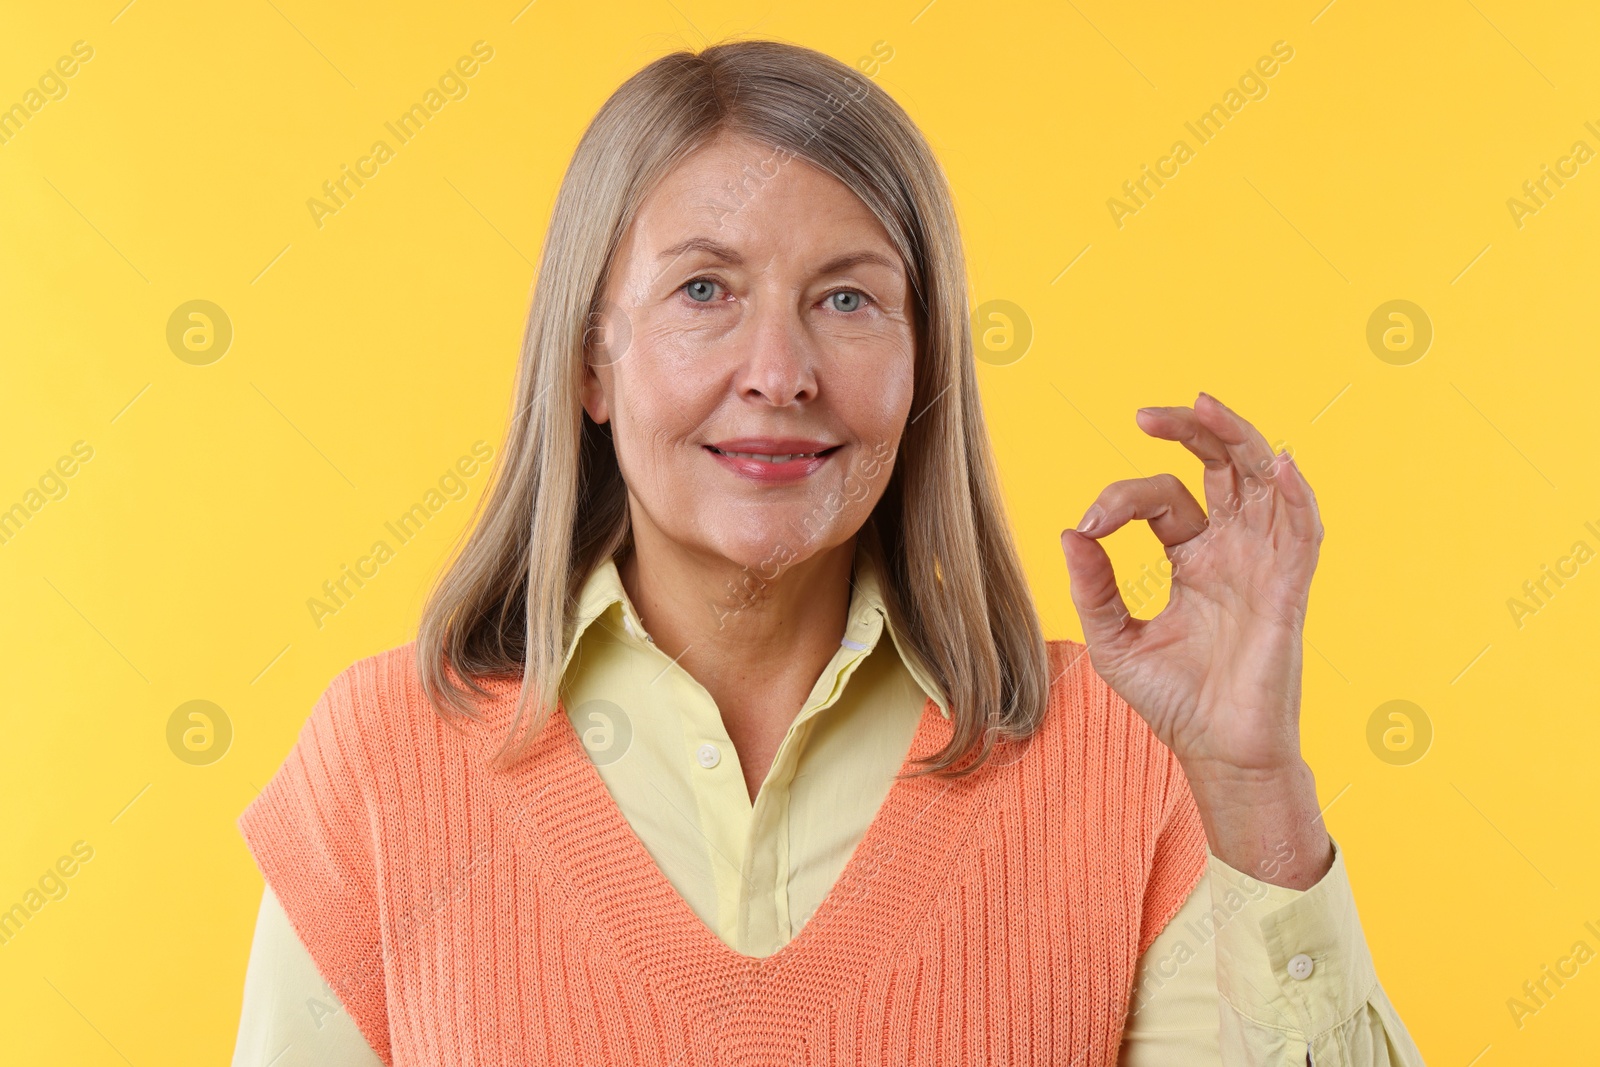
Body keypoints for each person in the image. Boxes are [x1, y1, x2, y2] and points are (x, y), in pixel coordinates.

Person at [232, 38, 1425, 1066]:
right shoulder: (384, 764)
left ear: (923, 370)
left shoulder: (1125, 761)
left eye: (848, 300)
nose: (779, 371)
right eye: (705, 289)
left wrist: (1252, 785)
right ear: (591, 358)